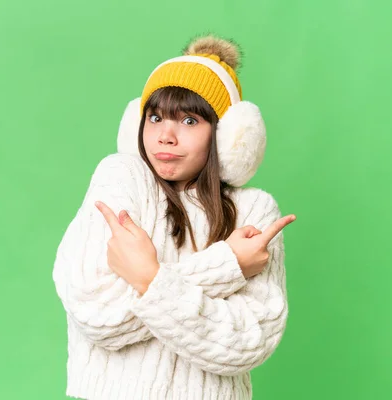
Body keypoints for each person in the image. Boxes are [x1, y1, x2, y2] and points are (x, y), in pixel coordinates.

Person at [52, 34, 297, 400]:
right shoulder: (121, 178)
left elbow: (249, 342)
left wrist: (145, 277)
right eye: (154, 117)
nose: (165, 136)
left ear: (226, 135)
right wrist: (227, 265)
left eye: (188, 120)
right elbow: (96, 314)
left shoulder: (255, 210)